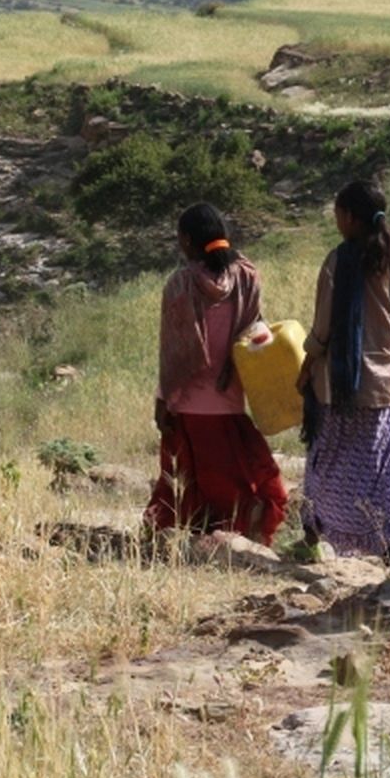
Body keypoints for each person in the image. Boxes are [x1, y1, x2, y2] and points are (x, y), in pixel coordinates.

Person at [144, 203, 288, 546]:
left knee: (185, 482)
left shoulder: (179, 284)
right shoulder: (247, 276)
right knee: (239, 477)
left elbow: (173, 353)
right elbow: (256, 332)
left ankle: (196, 541)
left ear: (188, 241)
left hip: (188, 404)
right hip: (230, 400)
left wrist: (162, 401)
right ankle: (240, 533)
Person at [294, 180, 390, 580]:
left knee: (322, 462)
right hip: (383, 386)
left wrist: (308, 361)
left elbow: (324, 326)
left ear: (348, 216)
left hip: (341, 386)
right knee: (378, 475)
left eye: (337, 212)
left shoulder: (339, 262)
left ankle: (310, 539)